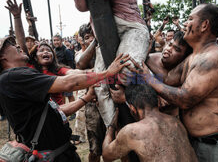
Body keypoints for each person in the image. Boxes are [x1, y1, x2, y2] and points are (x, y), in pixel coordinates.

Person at [130, 4, 218, 162]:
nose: (185, 24)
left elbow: (185, 99)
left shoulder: (214, 57)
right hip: (200, 143)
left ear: (204, 25)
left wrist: (149, 78)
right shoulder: (193, 57)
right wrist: (141, 56)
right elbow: (168, 79)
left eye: (190, 19)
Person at [0, 36, 129, 161]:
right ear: (2, 57)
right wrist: (106, 73)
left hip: (59, 152)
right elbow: (68, 83)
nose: (17, 45)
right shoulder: (12, 77)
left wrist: (86, 97)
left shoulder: (16, 78)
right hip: (50, 155)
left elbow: (57, 110)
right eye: (11, 44)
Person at [73, 0, 149, 128]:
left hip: (131, 28)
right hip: (104, 37)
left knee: (127, 70)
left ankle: (150, 109)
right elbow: (81, 6)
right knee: (99, 87)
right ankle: (113, 129)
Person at [102, 84, 198, 162]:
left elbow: (106, 156)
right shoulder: (175, 122)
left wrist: (111, 126)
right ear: (157, 101)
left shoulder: (132, 132)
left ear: (132, 109)